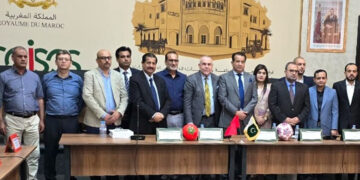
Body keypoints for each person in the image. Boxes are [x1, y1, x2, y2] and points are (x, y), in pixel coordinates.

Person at [82, 49, 128, 180]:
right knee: (95, 156)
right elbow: (87, 96)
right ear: (97, 60)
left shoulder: (118, 76)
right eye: (103, 58)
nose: (106, 60)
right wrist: (103, 115)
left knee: (113, 156)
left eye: (108, 58)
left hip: (115, 121)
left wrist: (119, 112)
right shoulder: (90, 75)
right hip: (95, 122)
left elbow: (125, 96)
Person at [0, 46, 44, 180]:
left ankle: (32, 178)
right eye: (20, 56)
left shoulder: (34, 76)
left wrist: (41, 120)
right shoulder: (3, 76)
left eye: (25, 56)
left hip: (32, 120)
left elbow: (40, 99)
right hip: (13, 120)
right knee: (13, 154)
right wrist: (1, 121)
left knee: (34, 153)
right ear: (12, 58)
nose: (23, 59)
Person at [42, 50, 83, 180]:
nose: (63, 61)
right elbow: (42, 99)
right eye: (60, 59)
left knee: (72, 151)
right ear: (56, 62)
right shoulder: (47, 78)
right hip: (52, 119)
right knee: (50, 151)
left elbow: (82, 99)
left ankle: (71, 176)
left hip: (71, 120)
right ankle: (50, 177)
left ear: (71, 62)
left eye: (66, 59)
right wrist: (42, 119)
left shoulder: (78, 79)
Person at [129, 53, 171, 134]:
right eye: (148, 63)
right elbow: (137, 101)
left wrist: (162, 114)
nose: (151, 65)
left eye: (153, 63)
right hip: (144, 124)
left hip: (160, 123)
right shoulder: (135, 79)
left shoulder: (160, 80)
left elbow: (168, 100)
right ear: (142, 64)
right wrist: (153, 115)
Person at [218, 52, 257, 132]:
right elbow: (222, 98)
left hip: (246, 120)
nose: (240, 64)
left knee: (247, 144)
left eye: (242, 62)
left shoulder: (251, 78)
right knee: (231, 144)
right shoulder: (224, 78)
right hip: (229, 119)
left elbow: (254, 98)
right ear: (232, 63)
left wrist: (244, 112)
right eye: (237, 61)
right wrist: (236, 112)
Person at [268, 62, 310, 128]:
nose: (294, 73)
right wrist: (285, 119)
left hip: (298, 125)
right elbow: (272, 105)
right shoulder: (276, 86)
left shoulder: (304, 87)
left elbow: (307, 107)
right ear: (285, 72)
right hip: (280, 124)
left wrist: (298, 118)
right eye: (291, 71)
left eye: (296, 71)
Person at [184, 56, 220, 127]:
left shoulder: (217, 79)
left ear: (212, 66)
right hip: (197, 120)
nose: (206, 66)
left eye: (209, 64)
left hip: (214, 119)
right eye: (204, 64)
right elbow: (187, 102)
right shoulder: (191, 79)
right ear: (199, 66)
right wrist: (189, 121)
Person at [156, 51, 186, 128]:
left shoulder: (184, 78)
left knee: (180, 139)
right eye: (171, 60)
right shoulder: (157, 77)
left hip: (180, 116)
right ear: (166, 62)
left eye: (176, 60)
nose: (173, 63)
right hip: (164, 116)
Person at [306, 69, 338, 138]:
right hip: (311, 127)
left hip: (327, 128)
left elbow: (335, 111)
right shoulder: (308, 91)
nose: (321, 80)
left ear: (326, 79)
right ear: (314, 79)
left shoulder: (333, 92)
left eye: (323, 78)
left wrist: (334, 128)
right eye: (318, 78)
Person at [114, 46, 140, 129]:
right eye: (122, 57)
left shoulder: (139, 74)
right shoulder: (112, 74)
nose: (126, 59)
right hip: (117, 113)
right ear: (117, 59)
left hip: (135, 113)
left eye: (128, 56)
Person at [333, 63, 360, 133]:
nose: (351, 73)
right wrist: (334, 127)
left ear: (357, 73)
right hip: (341, 124)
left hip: (357, 124)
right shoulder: (337, 86)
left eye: (354, 71)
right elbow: (334, 107)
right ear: (345, 73)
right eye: (349, 71)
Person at [253, 64, 272, 129]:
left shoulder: (270, 87)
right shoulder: (251, 87)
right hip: (252, 119)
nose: (261, 75)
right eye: (259, 73)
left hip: (266, 120)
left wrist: (265, 117)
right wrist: (256, 117)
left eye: (264, 73)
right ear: (255, 74)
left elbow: (272, 104)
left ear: (266, 75)